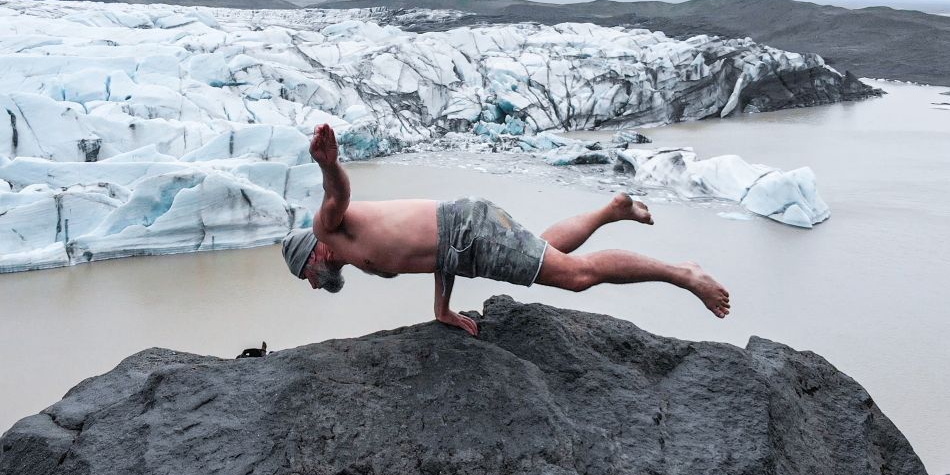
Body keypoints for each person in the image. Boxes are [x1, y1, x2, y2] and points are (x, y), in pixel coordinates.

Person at [282, 124, 731, 336]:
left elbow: (337, 195)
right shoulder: (360, 252)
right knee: (542, 249)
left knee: (575, 276)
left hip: (468, 231)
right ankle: (610, 211)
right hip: (462, 240)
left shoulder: (327, 229)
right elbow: (435, 252)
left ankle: (683, 273)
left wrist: (330, 164)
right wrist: (443, 309)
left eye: (305, 277)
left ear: (311, 257)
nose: (313, 285)